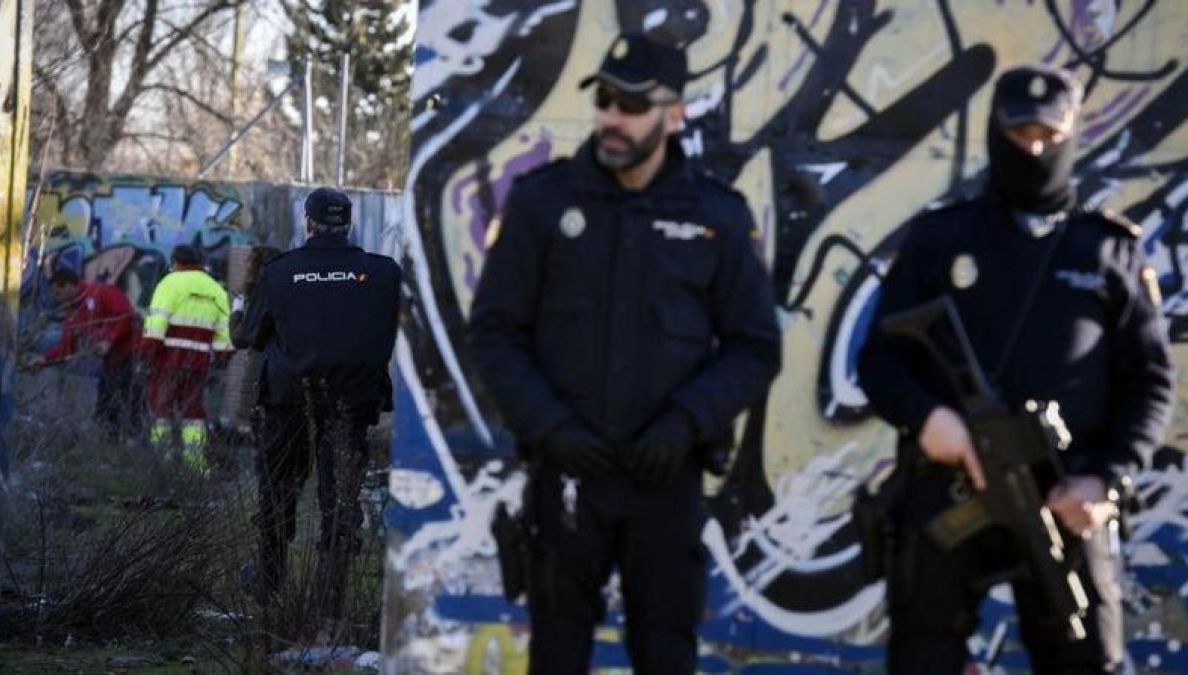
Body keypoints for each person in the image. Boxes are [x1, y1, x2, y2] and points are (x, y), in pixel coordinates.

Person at [467, 32, 781, 674]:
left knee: (666, 652)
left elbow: (755, 347)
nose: (612, 116)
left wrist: (687, 421)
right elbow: (495, 331)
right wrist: (550, 428)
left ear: (674, 114)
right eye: (605, 98)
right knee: (556, 652)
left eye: (632, 103)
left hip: (666, 483)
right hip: (568, 479)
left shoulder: (714, 213)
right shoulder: (544, 201)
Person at [857, 64, 1175, 673]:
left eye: (1048, 137)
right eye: (1020, 135)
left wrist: (1105, 481)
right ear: (993, 134)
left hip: (1066, 498)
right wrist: (930, 421)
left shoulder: (1107, 248)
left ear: (1073, 135)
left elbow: (1150, 381)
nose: (1033, 149)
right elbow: (878, 359)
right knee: (923, 656)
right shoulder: (939, 239)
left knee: (1085, 655)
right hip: (948, 488)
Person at [231, 187, 402, 630]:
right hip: (353, 402)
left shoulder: (279, 272)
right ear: (348, 223)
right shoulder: (383, 273)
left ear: (307, 222)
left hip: (288, 400)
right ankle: (331, 601)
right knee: (340, 500)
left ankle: (269, 582)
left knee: (277, 490)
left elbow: (247, 337)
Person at [140, 244, 233, 472]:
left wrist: (147, 356)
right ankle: (196, 467)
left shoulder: (169, 283)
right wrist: (220, 359)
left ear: (175, 262)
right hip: (198, 364)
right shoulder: (216, 289)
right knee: (193, 414)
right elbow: (224, 338)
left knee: (162, 411)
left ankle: (164, 464)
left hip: (167, 361)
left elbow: (156, 326)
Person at [32, 267, 139, 439]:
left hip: (131, 356)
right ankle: (112, 445)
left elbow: (124, 317)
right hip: (111, 362)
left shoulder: (103, 292)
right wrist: (45, 359)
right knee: (106, 406)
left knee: (129, 402)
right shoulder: (73, 311)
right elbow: (67, 345)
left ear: (69, 286)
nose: (55, 298)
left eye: (58, 293)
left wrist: (108, 341)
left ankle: (134, 443)